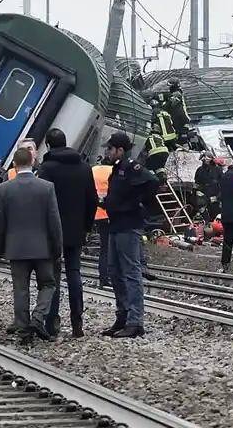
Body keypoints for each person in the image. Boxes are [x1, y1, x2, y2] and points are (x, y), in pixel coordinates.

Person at [0, 147, 63, 343]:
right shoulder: (46, 187)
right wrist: (58, 249)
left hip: (16, 248)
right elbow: (54, 221)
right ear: (32, 162)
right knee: (48, 284)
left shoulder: (4, 189)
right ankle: (38, 318)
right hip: (43, 248)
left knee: (20, 288)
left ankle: (23, 330)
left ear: (14, 164)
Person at [36, 128, 98, 339]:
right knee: (74, 273)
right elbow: (92, 199)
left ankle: (52, 323)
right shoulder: (84, 167)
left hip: (52, 231)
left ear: (49, 145)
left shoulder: (47, 168)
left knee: (52, 276)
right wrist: (86, 226)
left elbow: (42, 200)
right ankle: (77, 322)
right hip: (76, 230)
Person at [100, 132, 159, 338]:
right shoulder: (118, 169)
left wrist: (139, 205)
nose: (107, 152)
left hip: (128, 225)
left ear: (120, 150)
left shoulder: (132, 168)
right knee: (114, 271)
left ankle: (135, 321)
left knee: (131, 273)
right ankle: (123, 316)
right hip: (116, 224)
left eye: (110, 149)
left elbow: (153, 181)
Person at [93, 158, 114, 287]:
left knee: (104, 248)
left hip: (97, 213)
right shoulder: (113, 171)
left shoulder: (93, 170)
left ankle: (103, 277)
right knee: (111, 248)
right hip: (111, 213)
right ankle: (109, 276)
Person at [194, 152, 223, 220]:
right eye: (204, 158)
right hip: (203, 197)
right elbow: (197, 184)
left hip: (214, 197)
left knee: (215, 215)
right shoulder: (200, 170)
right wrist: (197, 195)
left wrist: (218, 197)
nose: (205, 160)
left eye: (207, 158)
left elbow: (223, 184)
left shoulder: (217, 170)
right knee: (204, 215)